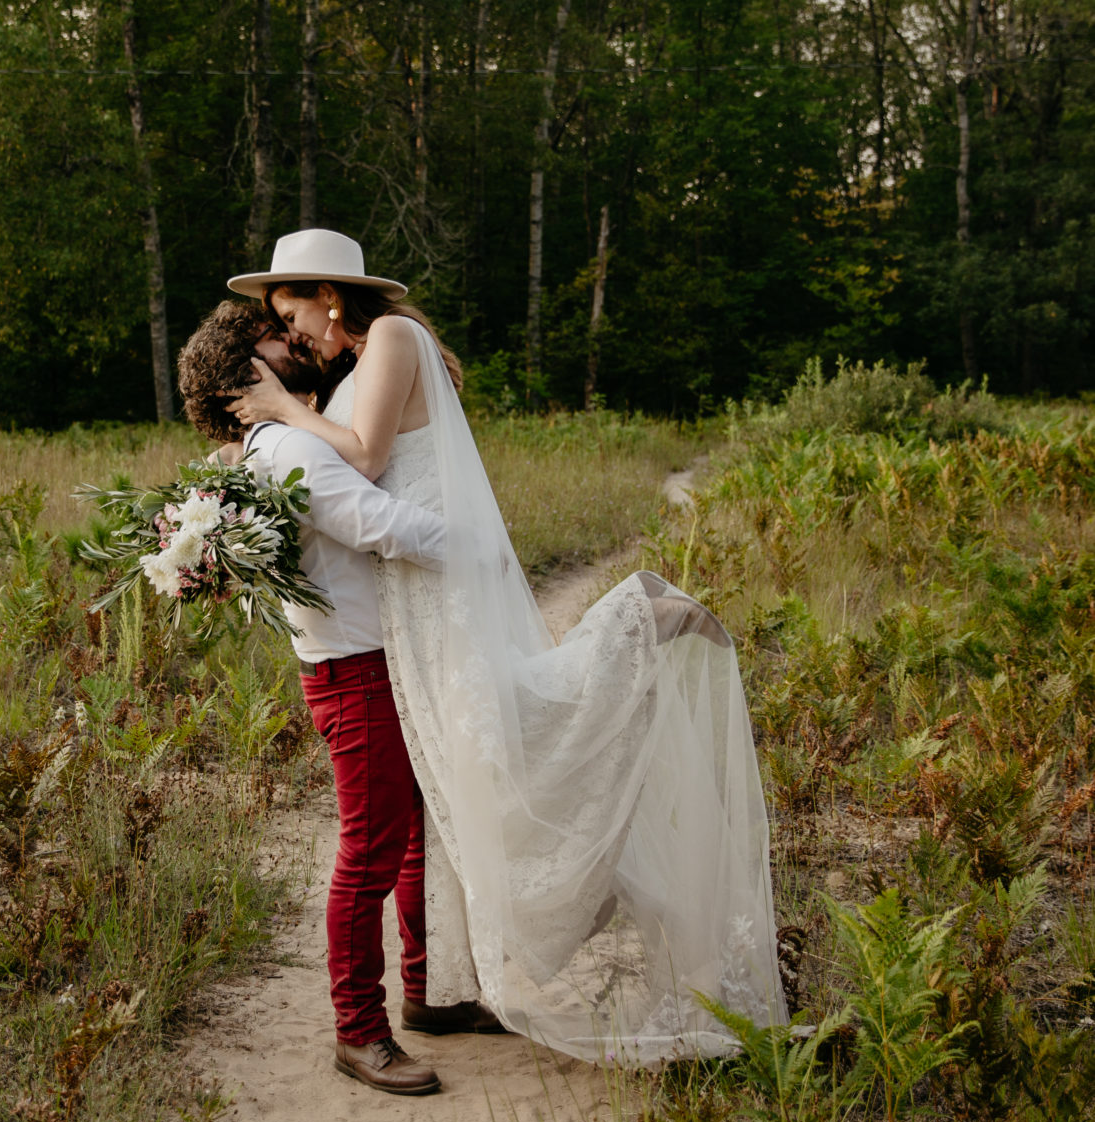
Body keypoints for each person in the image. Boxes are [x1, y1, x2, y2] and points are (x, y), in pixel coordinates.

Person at [227, 229, 787, 1065]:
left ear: (332, 294)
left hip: (430, 573)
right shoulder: (353, 366)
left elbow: (369, 458)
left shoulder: (389, 336)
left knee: (515, 731)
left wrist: (280, 412)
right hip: (404, 592)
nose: (290, 330)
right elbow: (339, 474)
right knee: (460, 777)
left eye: (292, 308)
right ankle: (431, 987)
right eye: (278, 315)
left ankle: (635, 618)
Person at [177, 301, 500, 1100]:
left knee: (410, 827)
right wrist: (480, 544)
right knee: (370, 851)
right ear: (242, 377)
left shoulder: (259, 448)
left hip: (357, 663)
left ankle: (426, 991)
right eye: (272, 340)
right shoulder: (286, 445)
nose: (292, 340)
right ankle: (359, 1032)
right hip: (356, 672)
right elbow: (381, 526)